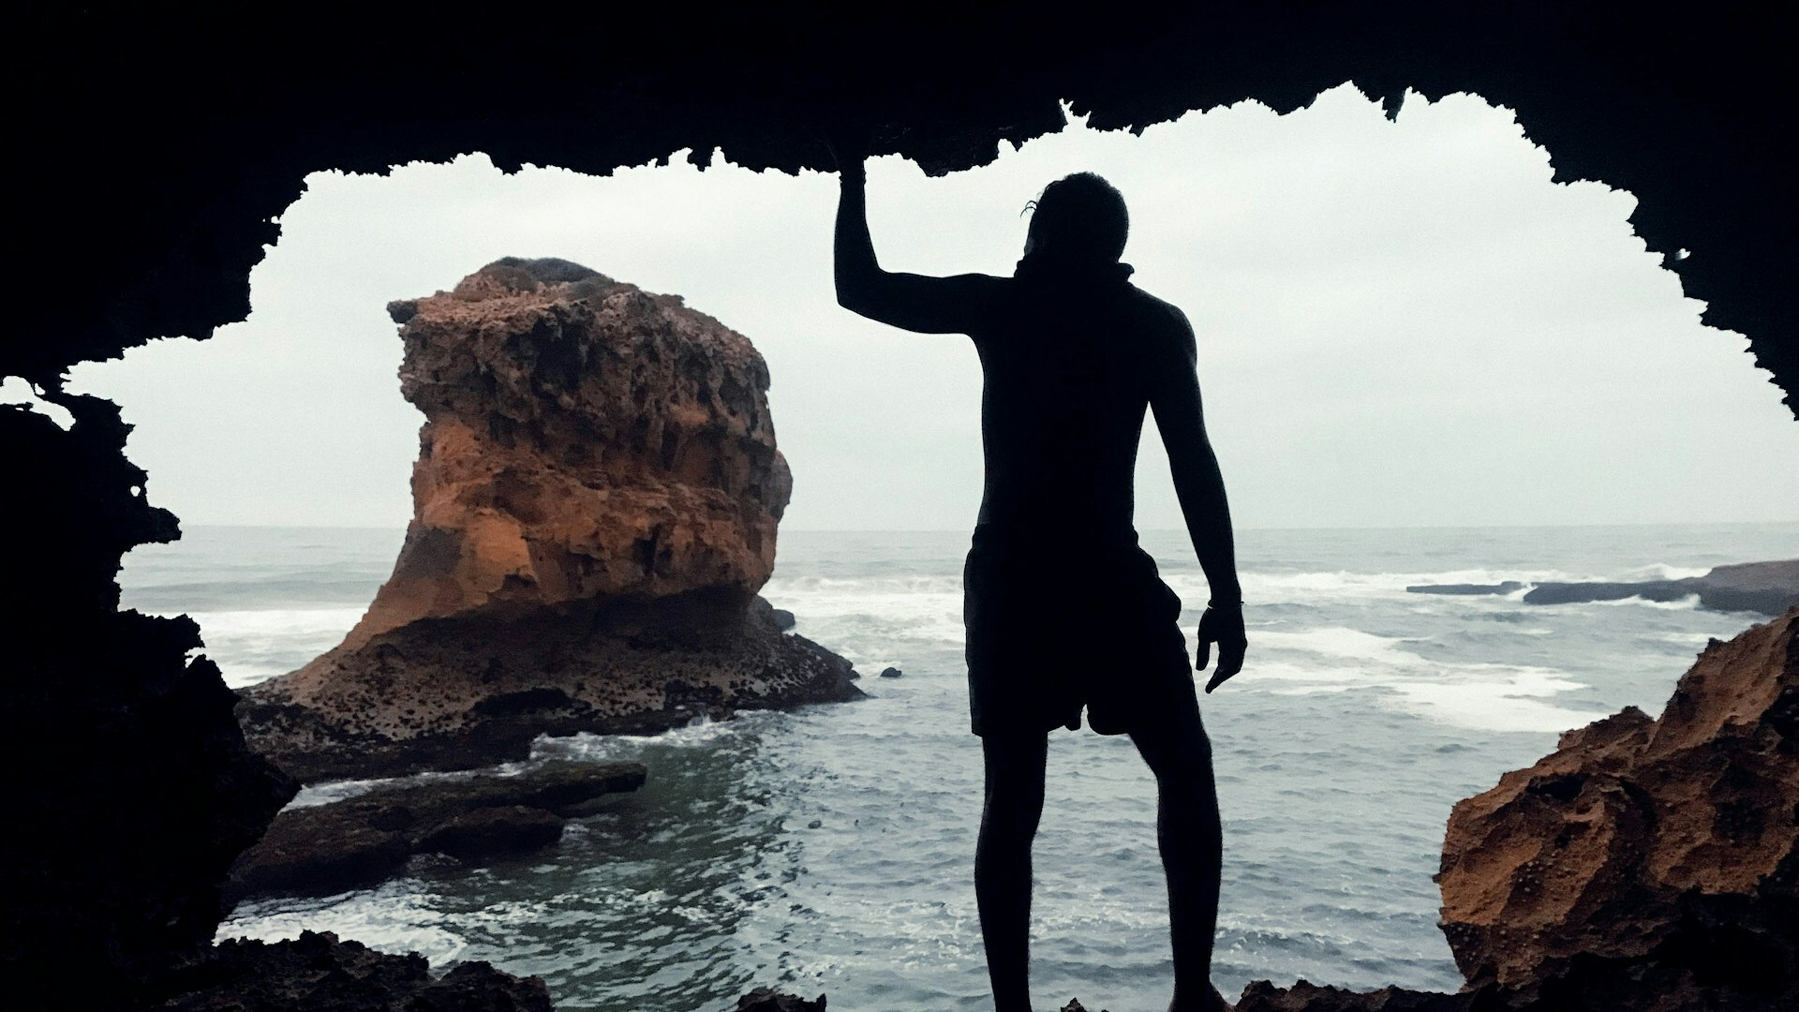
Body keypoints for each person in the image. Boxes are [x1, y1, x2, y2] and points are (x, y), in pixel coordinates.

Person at [831, 138, 1248, 1012]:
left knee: (1011, 805)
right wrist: (1225, 595)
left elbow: (858, 288)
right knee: (1185, 773)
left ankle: (1012, 1010)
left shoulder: (1004, 306)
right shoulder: (1152, 325)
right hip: (1108, 576)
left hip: (1014, 578)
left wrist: (852, 173)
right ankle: (1189, 992)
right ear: (1115, 245)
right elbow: (1192, 463)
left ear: (1045, 239)